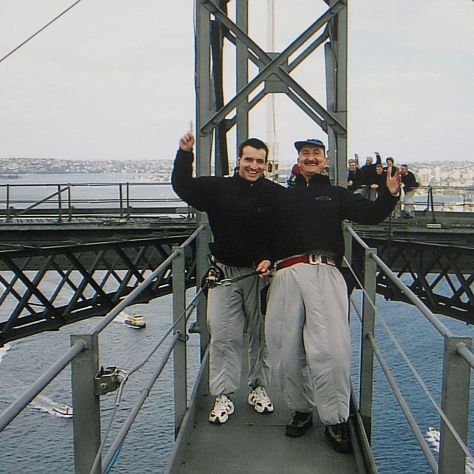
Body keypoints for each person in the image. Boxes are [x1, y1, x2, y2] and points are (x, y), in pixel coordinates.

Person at [265, 138, 401, 453]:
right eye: (305, 153)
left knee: (332, 351)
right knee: (285, 351)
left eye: (316, 153)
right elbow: (262, 230)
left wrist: (389, 193)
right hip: (285, 273)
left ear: (326, 160)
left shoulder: (337, 195)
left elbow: (371, 214)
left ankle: (335, 419)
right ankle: (301, 410)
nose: (310, 158)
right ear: (298, 159)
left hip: (324, 270)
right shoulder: (283, 196)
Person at [172, 130, 281, 424]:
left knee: (262, 336)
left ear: (266, 164)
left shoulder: (275, 194)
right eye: (249, 159)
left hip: (260, 276)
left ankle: (258, 388)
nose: (254, 166)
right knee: (222, 335)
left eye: (260, 161)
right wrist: (185, 154)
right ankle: (223, 393)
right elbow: (182, 186)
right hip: (224, 273)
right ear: (238, 160)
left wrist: (270, 256)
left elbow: (288, 230)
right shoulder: (217, 188)